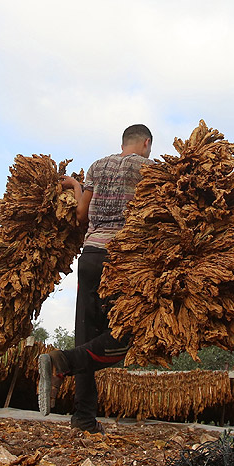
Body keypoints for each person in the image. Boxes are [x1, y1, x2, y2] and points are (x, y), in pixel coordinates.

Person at [38, 124, 154, 432]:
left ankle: (84, 418)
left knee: (86, 336)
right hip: (122, 261)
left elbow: (81, 215)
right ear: (145, 143)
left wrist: (76, 185)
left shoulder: (97, 166)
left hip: (90, 257)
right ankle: (61, 361)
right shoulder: (151, 169)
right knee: (125, 335)